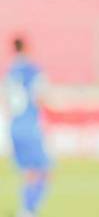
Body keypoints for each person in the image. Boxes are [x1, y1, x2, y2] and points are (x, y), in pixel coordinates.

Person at [4, 38, 51, 217]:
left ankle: (27, 209)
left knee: (28, 171)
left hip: (15, 127)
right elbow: (41, 97)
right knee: (42, 170)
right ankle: (28, 210)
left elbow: (6, 101)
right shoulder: (33, 70)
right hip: (30, 126)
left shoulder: (10, 72)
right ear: (27, 47)